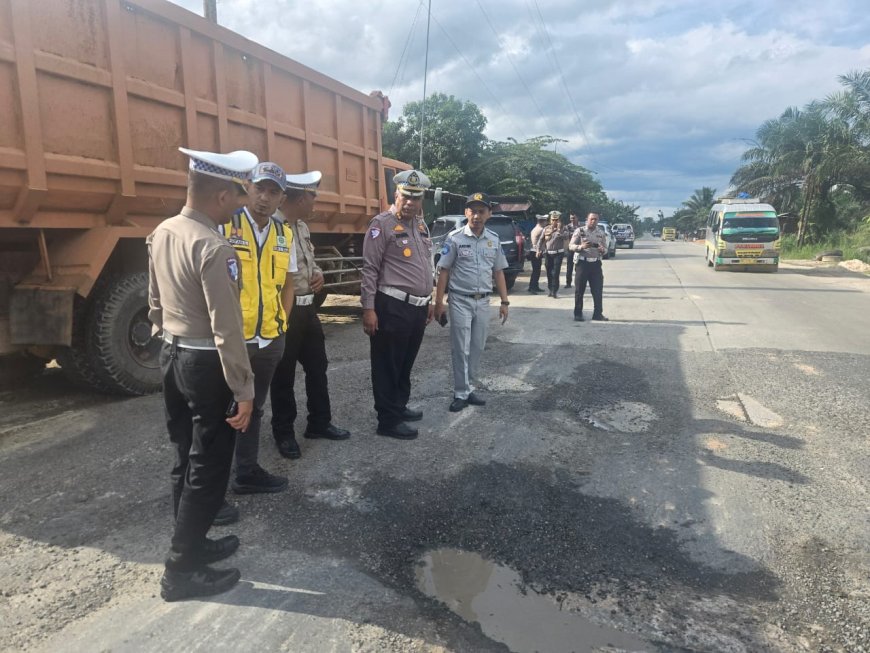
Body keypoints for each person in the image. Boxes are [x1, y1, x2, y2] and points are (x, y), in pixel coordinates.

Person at [147, 147, 257, 601]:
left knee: (184, 458)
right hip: (205, 364)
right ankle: (179, 571)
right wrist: (244, 389)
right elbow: (227, 329)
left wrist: (167, 338)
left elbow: (153, 300)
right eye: (237, 196)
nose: (241, 203)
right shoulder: (213, 246)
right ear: (218, 195)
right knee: (208, 468)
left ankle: (194, 543)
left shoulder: (163, 231)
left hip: (172, 357)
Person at [216, 162, 295, 498]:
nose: (264, 197)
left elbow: (289, 283)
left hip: (269, 340)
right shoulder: (225, 225)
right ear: (247, 188)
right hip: (233, 341)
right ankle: (213, 487)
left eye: (273, 192)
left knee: (255, 407)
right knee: (222, 410)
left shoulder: (284, 234)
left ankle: (246, 471)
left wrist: (283, 323)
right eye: (259, 188)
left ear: (281, 198)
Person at [270, 170, 351, 459]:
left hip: (308, 308)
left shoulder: (301, 227)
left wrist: (317, 275)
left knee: (318, 366)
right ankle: (283, 432)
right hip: (286, 310)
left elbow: (309, 263)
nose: (316, 201)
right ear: (301, 197)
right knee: (283, 374)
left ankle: (319, 422)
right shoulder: (272, 228)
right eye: (313, 195)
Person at [361, 169, 434, 440]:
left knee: (405, 363)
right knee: (387, 364)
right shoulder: (382, 224)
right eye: (406, 197)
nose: (411, 203)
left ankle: (399, 406)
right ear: (396, 195)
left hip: (416, 307)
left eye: (416, 198)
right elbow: (369, 269)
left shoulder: (420, 226)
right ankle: (388, 420)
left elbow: (425, 266)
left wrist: (427, 300)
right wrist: (368, 308)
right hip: (391, 306)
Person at [434, 192, 509, 412]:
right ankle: (460, 392)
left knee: (477, 346)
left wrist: (505, 302)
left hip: (483, 301)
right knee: (461, 348)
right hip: (460, 300)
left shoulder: (493, 239)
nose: (476, 215)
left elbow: (499, 272)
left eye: (481, 211)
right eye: (472, 210)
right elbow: (444, 271)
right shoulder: (455, 238)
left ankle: (470, 388)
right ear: (466, 212)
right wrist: (439, 302)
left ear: (489, 214)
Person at [569, 211, 609, 322]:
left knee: (597, 290)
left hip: (596, 264)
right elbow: (571, 246)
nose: (593, 221)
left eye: (596, 219)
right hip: (583, 263)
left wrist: (602, 250)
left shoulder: (601, 233)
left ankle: (597, 314)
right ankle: (578, 314)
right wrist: (581, 247)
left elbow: (605, 249)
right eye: (591, 219)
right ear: (587, 219)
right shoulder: (580, 231)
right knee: (579, 290)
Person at [537, 211, 568, 298]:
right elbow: (541, 240)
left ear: (559, 220)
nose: (554, 221)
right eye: (553, 219)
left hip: (558, 253)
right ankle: (550, 289)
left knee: (556, 273)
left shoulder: (564, 228)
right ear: (550, 220)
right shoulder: (546, 228)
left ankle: (554, 290)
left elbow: (566, 237)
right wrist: (538, 250)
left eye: (556, 220)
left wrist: (559, 230)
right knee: (549, 272)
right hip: (548, 253)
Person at [526, 214, 547, 294]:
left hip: (533, 251)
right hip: (536, 251)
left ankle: (534, 286)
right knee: (536, 271)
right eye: (545, 221)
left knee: (536, 270)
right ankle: (532, 287)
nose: (546, 222)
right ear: (542, 221)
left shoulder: (535, 228)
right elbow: (539, 242)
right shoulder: (541, 229)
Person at [564, 213, 580, 288]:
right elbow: (566, 236)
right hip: (570, 249)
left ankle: (578, 282)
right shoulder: (567, 227)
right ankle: (568, 283)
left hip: (578, 249)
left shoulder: (581, 227)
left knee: (578, 267)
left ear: (577, 218)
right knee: (569, 267)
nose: (572, 219)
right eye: (571, 218)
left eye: (574, 218)